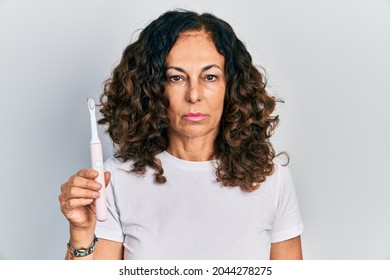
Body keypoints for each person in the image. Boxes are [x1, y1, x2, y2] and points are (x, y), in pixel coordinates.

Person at [59, 9, 304, 260]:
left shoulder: (272, 179)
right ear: (153, 89)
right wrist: (81, 233)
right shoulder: (115, 180)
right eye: (176, 77)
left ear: (230, 86)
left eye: (210, 76)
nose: (194, 94)